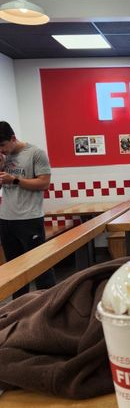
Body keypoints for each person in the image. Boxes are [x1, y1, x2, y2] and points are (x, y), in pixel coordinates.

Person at [0, 121, 56, 298]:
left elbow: (44, 183)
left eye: (2, 145)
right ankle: (19, 310)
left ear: (13, 138)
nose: (2, 150)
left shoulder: (35, 153)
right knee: (14, 270)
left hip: (29, 219)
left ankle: (48, 306)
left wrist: (15, 180)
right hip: (6, 219)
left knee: (40, 267)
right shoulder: (2, 157)